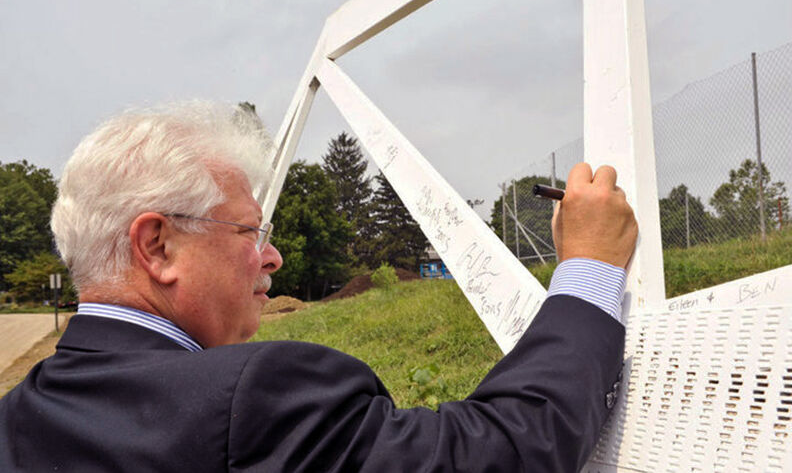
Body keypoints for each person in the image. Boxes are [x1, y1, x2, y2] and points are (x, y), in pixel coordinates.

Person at [0, 101, 637, 472]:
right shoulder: (248, 401)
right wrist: (590, 270)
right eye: (250, 232)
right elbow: (502, 451)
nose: (271, 258)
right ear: (158, 246)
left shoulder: (18, 421)